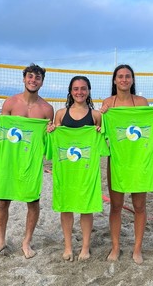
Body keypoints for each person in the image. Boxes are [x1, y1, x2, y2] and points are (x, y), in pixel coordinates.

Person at [100, 64, 153, 264]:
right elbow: (99, 129)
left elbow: (151, 123)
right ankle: (115, 247)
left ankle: (137, 249)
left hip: (139, 161)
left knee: (139, 206)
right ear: (114, 80)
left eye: (127, 76)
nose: (124, 79)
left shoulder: (140, 102)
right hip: (118, 160)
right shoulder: (108, 103)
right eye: (120, 76)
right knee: (116, 206)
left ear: (132, 80)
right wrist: (101, 114)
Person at [0, 63, 54, 259]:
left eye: (37, 77)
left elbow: (48, 141)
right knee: (2, 200)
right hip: (8, 159)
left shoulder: (47, 109)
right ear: (24, 79)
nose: (33, 80)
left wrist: (50, 132)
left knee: (33, 201)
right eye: (30, 76)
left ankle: (26, 242)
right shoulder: (10, 103)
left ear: (42, 82)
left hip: (30, 161)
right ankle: (1, 240)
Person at [47, 76, 107, 261]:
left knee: (86, 208)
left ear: (88, 91)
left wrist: (100, 132)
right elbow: (53, 141)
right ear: (70, 91)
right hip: (66, 170)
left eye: (83, 88)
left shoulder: (96, 116)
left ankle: (85, 247)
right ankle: (68, 247)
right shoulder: (60, 114)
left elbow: (103, 144)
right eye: (75, 89)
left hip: (86, 170)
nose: (79, 92)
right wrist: (51, 131)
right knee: (66, 207)